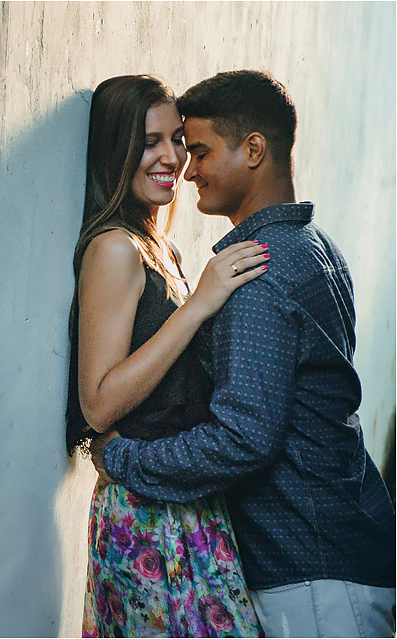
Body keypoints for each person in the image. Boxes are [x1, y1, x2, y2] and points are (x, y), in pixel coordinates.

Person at [91, 70, 397, 638]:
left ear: (253, 150)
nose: (188, 166)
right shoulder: (314, 247)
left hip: (312, 577)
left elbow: (243, 437)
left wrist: (123, 461)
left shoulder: (256, 273)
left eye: (198, 149)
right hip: (341, 556)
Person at [66, 75, 268, 637]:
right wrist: (198, 306)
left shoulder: (163, 247)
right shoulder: (114, 249)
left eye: (178, 139)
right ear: (117, 150)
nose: (172, 158)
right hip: (144, 521)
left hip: (186, 501)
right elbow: (99, 404)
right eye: (149, 141)